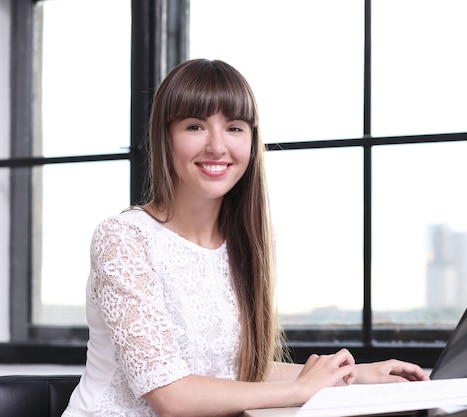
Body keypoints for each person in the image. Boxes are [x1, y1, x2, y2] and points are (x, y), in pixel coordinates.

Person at [62, 58, 428, 417]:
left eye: (235, 128)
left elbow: (234, 371)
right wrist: (302, 388)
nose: (218, 147)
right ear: (165, 137)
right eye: (195, 126)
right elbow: (171, 396)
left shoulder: (239, 243)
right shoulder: (123, 238)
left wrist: (353, 375)